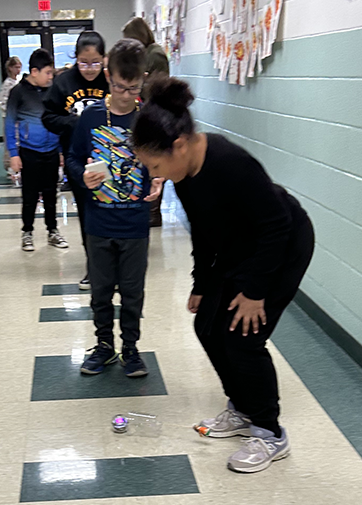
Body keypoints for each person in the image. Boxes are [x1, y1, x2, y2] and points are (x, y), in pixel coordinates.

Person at [131, 78, 315, 474]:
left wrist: (254, 292)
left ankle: (269, 433)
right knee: (207, 327)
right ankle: (243, 408)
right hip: (239, 245)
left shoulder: (231, 163)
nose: (154, 174)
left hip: (282, 245)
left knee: (243, 337)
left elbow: (277, 227)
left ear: (179, 145)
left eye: (155, 166)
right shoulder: (184, 174)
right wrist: (202, 283)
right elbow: (202, 229)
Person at [67, 38, 163, 378]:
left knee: (133, 293)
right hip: (98, 222)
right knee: (101, 292)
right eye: (120, 87)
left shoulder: (147, 118)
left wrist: (158, 178)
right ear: (108, 77)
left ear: (142, 80)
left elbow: (158, 161)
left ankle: (131, 349)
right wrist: (82, 177)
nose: (126, 95)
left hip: (135, 222)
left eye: (134, 88)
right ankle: (104, 346)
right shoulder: (91, 116)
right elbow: (73, 160)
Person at [43, 31, 110, 291]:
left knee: (111, 211)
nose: (90, 69)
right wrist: (74, 122)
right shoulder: (64, 83)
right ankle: (94, 268)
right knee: (88, 212)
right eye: (84, 62)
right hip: (79, 160)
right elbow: (48, 117)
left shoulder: (110, 79)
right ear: (75, 58)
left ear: (104, 59)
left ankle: (113, 266)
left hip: (113, 158)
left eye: (95, 62)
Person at [5, 48, 68, 252]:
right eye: (47, 73)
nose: (51, 77)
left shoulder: (53, 90)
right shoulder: (18, 92)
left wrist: (59, 150)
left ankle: (53, 231)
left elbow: (58, 120)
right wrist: (13, 153)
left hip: (50, 151)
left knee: (51, 194)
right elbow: (9, 123)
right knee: (30, 195)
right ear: (34, 71)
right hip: (29, 152)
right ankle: (27, 232)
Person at [122, 17, 169, 227]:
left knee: (155, 162)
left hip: (156, 112)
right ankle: (149, 209)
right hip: (147, 112)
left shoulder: (155, 54)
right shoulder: (146, 55)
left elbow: (156, 86)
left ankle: (153, 212)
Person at [0, 56, 23, 181]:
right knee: (10, 141)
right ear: (10, 68)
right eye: (16, 67)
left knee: (18, 140)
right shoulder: (8, 84)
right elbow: (3, 102)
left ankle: (17, 166)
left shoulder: (17, 82)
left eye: (20, 67)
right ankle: (9, 167)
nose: (18, 70)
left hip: (18, 117)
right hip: (9, 117)